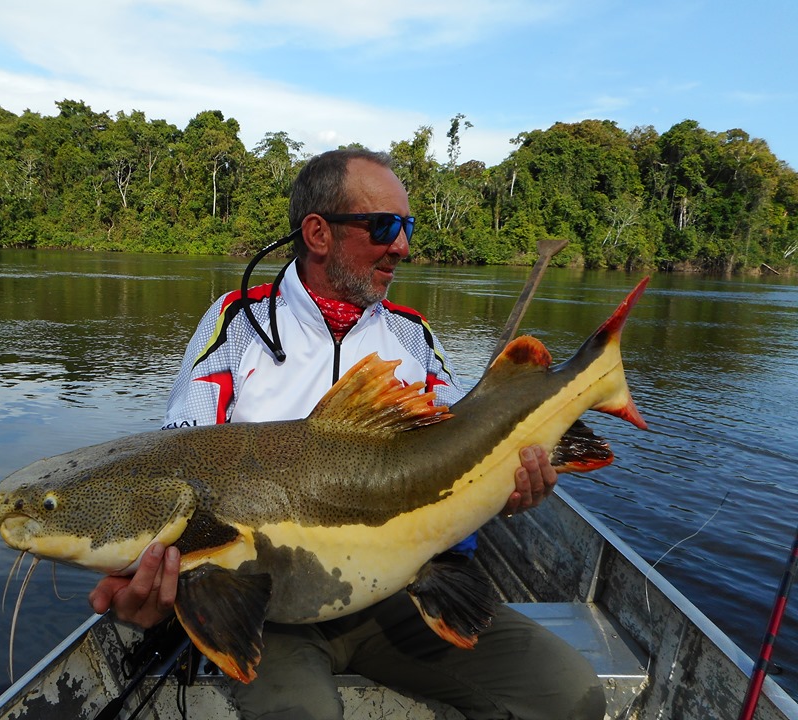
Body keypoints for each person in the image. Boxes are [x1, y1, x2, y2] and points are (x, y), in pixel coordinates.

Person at [89, 149, 607, 719]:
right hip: (268, 607)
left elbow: (463, 460)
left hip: (404, 590)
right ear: (318, 233)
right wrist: (152, 576)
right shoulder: (237, 325)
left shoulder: (414, 338)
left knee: (569, 694)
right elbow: (179, 471)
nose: (403, 246)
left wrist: (515, 493)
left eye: (407, 227)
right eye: (385, 226)